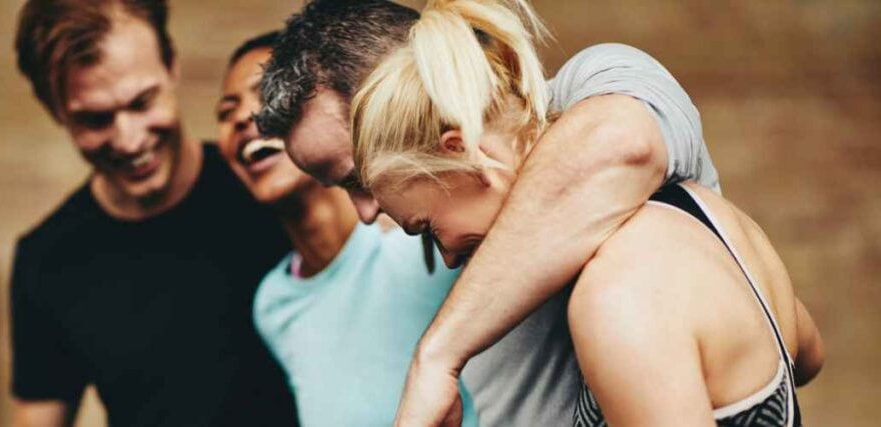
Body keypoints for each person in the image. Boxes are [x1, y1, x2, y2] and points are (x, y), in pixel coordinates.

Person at [349, 0, 825, 425]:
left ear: (462, 152)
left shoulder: (617, 296)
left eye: (428, 228)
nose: (448, 258)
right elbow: (807, 352)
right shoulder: (713, 218)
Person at [256, 0, 719, 425]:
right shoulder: (438, 239)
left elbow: (623, 146)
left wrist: (438, 356)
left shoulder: (592, 84)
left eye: (361, 177)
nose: (364, 211)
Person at [9, 1, 296, 425]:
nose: (128, 140)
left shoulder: (275, 193)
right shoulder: (47, 260)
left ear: (171, 66)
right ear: (56, 111)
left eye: (142, 103)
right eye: (95, 119)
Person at [213, 31, 479, 427]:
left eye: (265, 94)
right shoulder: (274, 303)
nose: (241, 118)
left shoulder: (428, 239)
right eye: (225, 111)